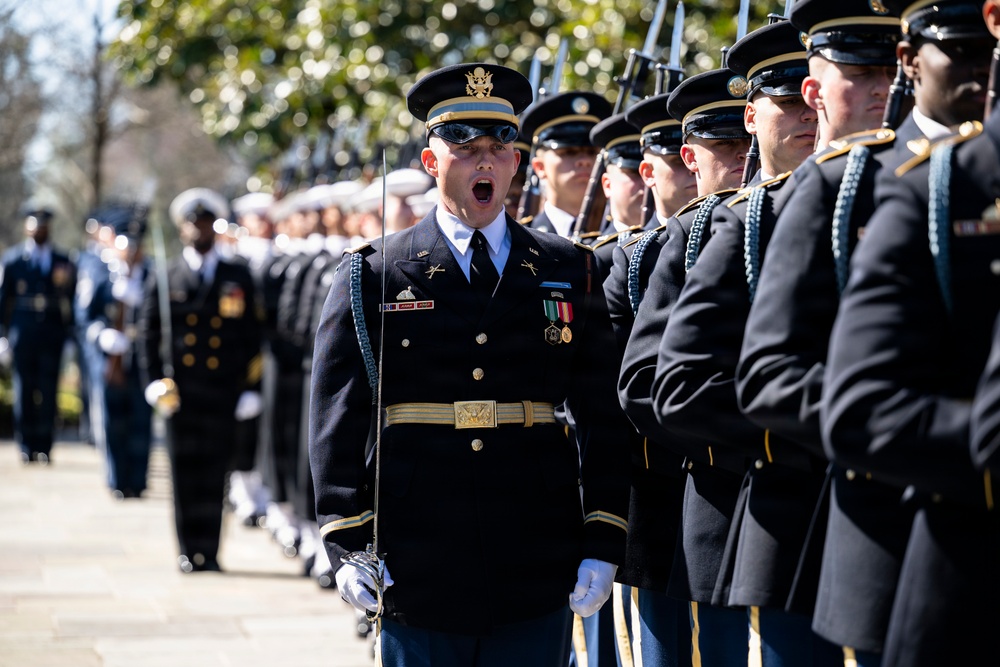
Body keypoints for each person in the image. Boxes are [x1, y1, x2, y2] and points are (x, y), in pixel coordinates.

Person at [309, 62, 630, 666]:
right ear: (432, 163)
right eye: (465, 149)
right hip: (418, 548)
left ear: (516, 162)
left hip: (535, 543)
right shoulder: (375, 272)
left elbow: (600, 412)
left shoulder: (568, 266)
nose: (484, 163)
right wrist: (348, 540)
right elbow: (336, 415)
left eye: (497, 148)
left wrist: (603, 534)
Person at [738, 2, 994, 664]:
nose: (981, 68)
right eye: (963, 50)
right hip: (880, 524)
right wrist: (899, 419)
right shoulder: (844, 184)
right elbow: (768, 371)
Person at [821, 1, 1000, 663]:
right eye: (963, 50)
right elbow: (851, 401)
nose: (977, 70)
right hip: (931, 541)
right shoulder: (908, 187)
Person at [617, 65, 751, 667]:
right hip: (682, 495)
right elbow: (635, 388)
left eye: (745, 143)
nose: (740, 159)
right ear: (693, 155)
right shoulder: (652, 254)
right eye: (724, 146)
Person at [139, 187, 265, 573]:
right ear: (182, 230)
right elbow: (148, 334)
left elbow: (252, 336)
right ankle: (186, 548)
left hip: (223, 392)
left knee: (215, 474)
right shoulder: (167, 275)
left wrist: (251, 388)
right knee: (184, 472)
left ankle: (209, 551)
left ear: (215, 227)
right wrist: (153, 382)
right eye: (193, 224)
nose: (199, 230)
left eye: (206, 223)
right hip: (182, 393)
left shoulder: (237, 275)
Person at [85, 204, 155, 499]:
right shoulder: (100, 270)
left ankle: (137, 481)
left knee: (141, 422)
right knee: (113, 421)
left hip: (140, 357)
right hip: (110, 358)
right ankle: (116, 479)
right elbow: (85, 315)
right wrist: (102, 335)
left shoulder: (152, 273)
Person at [0, 205, 77, 465]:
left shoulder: (62, 260)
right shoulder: (12, 260)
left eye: (43, 227)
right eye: (34, 227)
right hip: (22, 334)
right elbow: (3, 300)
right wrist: (2, 335)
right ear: (26, 229)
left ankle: (45, 446)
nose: (38, 231)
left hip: (52, 334)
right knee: (24, 391)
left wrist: (70, 336)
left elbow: (72, 300)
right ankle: (26, 445)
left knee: (47, 392)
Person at [519, 90, 612, 237]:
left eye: (591, 152)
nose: (584, 161)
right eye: (569, 152)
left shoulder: (620, 238)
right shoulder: (520, 238)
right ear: (540, 167)